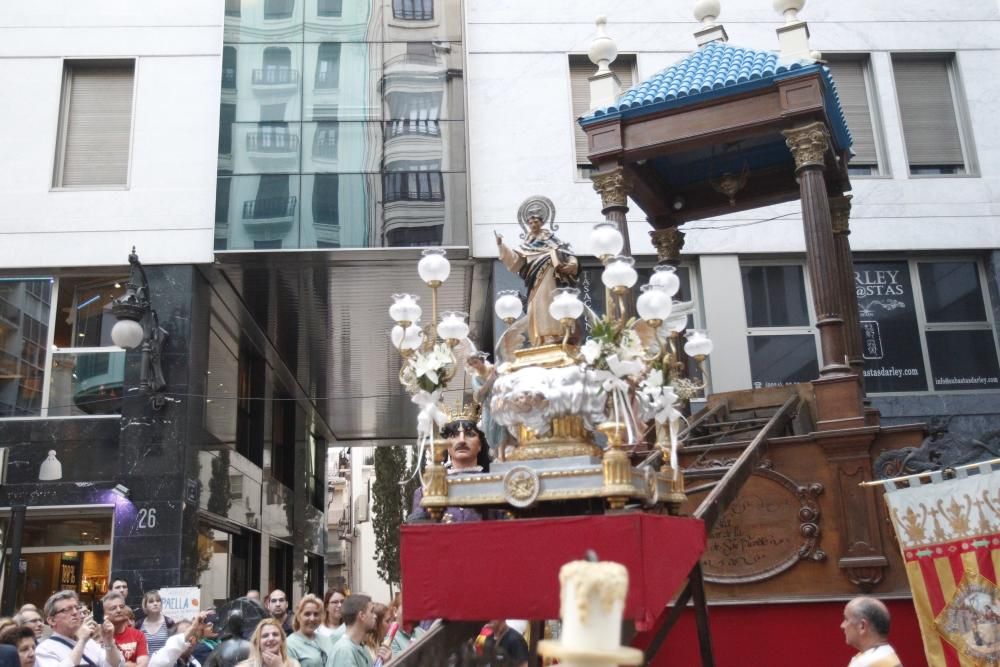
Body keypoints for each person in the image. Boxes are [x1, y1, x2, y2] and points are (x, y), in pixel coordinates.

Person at [495, 207, 579, 348]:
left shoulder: (550, 239)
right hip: (534, 282)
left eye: (536, 220)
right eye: (530, 221)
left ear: (541, 222)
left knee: (549, 303)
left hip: (550, 277)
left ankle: (554, 335)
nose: (533, 223)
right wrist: (501, 245)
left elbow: (566, 252)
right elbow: (516, 261)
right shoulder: (526, 244)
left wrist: (573, 262)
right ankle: (539, 338)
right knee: (536, 307)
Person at [409, 413, 492, 523]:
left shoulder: (494, 484)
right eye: (454, 435)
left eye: (470, 434)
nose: (462, 440)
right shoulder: (427, 490)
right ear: (446, 445)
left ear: (480, 445)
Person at [35, 591, 124, 667]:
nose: (75, 612)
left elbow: (115, 665)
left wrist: (108, 640)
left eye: (76, 608)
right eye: (67, 609)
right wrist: (82, 641)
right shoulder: (44, 649)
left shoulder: (90, 643)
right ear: (51, 620)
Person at [328, 596, 389, 667]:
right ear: (362, 615)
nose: (375, 616)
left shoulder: (361, 646)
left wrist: (385, 663)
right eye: (371, 611)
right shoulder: (344, 650)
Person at [841, 597, 902, 667]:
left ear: (862, 626)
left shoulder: (866, 663)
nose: (842, 625)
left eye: (846, 619)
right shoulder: (887, 652)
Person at [103, 592, 149, 667]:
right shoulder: (101, 636)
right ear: (105, 614)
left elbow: (143, 664)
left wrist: (122, 665)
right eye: (113, 608)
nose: (119, 610)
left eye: (121, 607)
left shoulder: (138, 635)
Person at [285, 596, 333, 667]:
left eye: (316, 614)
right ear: (298, 616)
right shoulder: (289, 644)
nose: (312, 618)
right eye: (307, 614)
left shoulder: (326, 640)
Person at [137, 591, 176, 657]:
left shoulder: (169, 622)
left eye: (158, 601)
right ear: (145, 605)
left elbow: (175, 646)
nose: (155, 604)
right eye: (151, 602)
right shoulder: (139, 624)